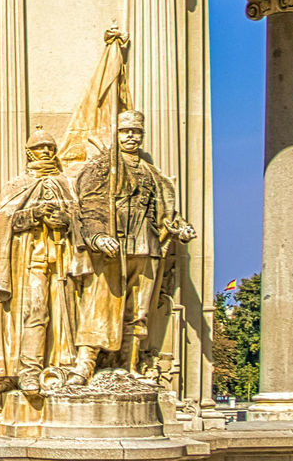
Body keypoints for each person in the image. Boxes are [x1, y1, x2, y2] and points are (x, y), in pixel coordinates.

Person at [69, 110, 195, 383]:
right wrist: (98, 236)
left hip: (145, 245)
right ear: (116, 134)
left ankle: (130, 365)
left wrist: (179, 227)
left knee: (139, 311)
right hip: (112, 246)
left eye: (136, 132)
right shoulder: (103, 166)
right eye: (125, 131)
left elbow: (166, 211)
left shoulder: (151, 172)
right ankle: (85, 364)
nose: (131, 136)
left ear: (142, 135)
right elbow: (88, 204)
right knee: (98, 304)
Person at [0, 128, 78, 396]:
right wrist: (34, 214)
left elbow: (79, 218)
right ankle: (29, 371)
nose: (46, 151)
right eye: (40, 147)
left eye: (50, 147)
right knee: (36, 311)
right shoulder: (17, 185)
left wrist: (65, 220)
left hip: (62, 260)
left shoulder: (65, 183)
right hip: (29, 259)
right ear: (29, 151)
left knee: (63, 313)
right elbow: (2, 221)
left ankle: (63, 367)